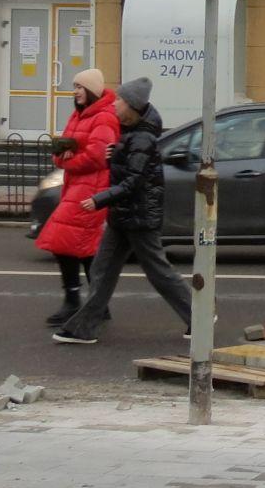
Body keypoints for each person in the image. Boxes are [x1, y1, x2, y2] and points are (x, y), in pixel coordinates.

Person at [53, 77, 194, 344]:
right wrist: (114, 157)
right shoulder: (129, 132)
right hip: (123, 215)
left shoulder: (143, 138)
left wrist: (99, 199)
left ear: (131, 105)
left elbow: (134, 181)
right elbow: (127, 169)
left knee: (158, 272)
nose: (114, 103)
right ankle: (84, 327)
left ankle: (199, 317)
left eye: (119, 99)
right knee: (102, 269)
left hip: (139, 217)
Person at [33, 69, 119, 326]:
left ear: (92, 90)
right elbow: (63, 148)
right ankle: (97, 303)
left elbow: (97, 156)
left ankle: (75, 302)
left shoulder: (104, 117)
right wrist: (61, 157)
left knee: (65, 242)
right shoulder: (80, 114)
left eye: (80, 87)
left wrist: (68, 162)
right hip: (76, 187)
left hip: (92, 188)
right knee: (82, 247)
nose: (75, 91)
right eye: (75, 86)